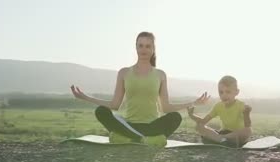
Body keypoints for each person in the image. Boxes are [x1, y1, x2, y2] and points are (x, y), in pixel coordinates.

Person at [70, 31, 210, 146]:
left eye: (148, 46)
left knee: (175, 117)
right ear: (136, 48)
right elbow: (114, 105)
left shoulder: (160, 75)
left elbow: (166, 108)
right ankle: (146, 139)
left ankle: (130, 138)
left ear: (153, 49)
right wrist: (85, 97)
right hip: (129, 124)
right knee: (101, 111)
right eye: (141, 46)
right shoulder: (124, 72)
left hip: (152, 125)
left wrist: (193, 103)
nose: (144, 49)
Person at [187, 75, 252, 148]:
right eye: (221, 92)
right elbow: (203, 121)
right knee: (199, 126)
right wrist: (192, 115)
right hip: (223, 133)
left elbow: (247, 125)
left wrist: (247, 113)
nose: (224, 95)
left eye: (228, 92)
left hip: (236, 135)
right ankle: (222, 140)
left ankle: (219, 139)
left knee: (247, 131)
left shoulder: (241, 105)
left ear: (236, 92)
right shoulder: (218, 106)